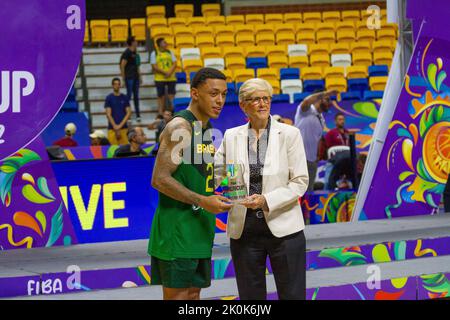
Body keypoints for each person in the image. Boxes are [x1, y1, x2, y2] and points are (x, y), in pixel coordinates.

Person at [215, 78, 309, 300]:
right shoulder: (231, 135)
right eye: (255, 99)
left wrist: (266, 200)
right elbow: (215, 174)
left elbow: (300, 181)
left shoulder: (289, 134)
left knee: (293, 296)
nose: (262, 103)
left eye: (266, 98)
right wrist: (194, 187)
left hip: (285, 229)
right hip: (244, 229)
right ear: (243, 105)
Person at [148, 68, 232, 300]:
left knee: (193, 296)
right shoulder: (180, 128)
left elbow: (198, 179)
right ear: (195, 93)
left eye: (224, 94)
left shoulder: (204, 128)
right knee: (178, 297)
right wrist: (203, 201)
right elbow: (160, 179)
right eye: (213, 93)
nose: (220, 101)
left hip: (199, 230)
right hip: (178, 231)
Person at [294, 90, 338, 191]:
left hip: (312, 161)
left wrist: (317, 156)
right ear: (319, 99)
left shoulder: (321, 118)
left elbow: (317, 138)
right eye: (327, 100)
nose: (329, 103)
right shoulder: (306, 111)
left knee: (309, 191)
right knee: (297, 191)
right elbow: (306, 101)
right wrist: (326, 93)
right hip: (298, 158)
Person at [150, 38, 177, 115]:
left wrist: (169, 72)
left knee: (171, 95)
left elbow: (175, 63)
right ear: (159, 44)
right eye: (164, 42)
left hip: (171, 78)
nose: (166, 43)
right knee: (160, 96)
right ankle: (160, 113)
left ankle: (173, 112)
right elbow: (154, 66)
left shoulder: (170, 52)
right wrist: (165, 72)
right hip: (159, 78)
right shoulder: (154, 53)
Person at [120, 36, 142, 122]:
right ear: (132, 42)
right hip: (129, 77)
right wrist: (123, 78)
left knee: (136, 96)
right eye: (135, 41)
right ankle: (126, 115)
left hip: (135, 77)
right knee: (128, 96)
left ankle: (138, 114)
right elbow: (122, 65)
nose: (137, 42)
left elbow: (137, 65)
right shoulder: (127, 52)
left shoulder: (136, 53)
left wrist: (140, 76)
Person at [105, 77, 132, 145]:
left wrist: (119, 126)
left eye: (118, 84)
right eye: (115, 84)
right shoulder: (109, 98)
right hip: (112, 129)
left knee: (125, 151)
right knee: (112, 152)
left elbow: (128, 113)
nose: (117, 85)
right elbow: (108, 114)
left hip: (124, 129)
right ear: (112, 85)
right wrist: (116, 127)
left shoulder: (125, 97)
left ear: (120, 85)